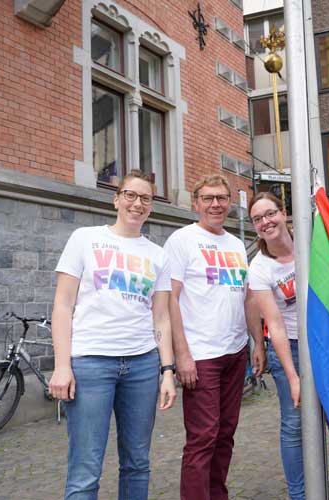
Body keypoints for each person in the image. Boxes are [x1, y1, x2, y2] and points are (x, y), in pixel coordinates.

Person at [49, 170, 177, 499]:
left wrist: (167, 371)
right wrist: (62, 366)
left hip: (142, 366)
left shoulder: (158, 255)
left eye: (145, 198)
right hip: (91, 364)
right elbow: (63, 305)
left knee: (137, 463)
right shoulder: (85, 239)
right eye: (131, 195)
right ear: (116, 199)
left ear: (151, 206)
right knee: (85, 468)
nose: (137, 203)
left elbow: (160, 317)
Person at [247, 192, 329, 500]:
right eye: (257, 219)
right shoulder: (260, 269)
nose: (265, 222)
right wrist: (293, 377)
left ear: (284, 212)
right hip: (292, 347)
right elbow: (276, 325)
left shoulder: (312, 240)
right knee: (294, 424)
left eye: (270, 214)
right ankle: (300, 495)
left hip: (328, 341)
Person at [164, 174, 265, 500]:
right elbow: (171, 301)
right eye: (208, 198)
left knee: (225, 434)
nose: (216, 204)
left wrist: (256, 342)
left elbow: (247, 297)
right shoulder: (182, 240)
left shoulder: (236, 245)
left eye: (221, 198)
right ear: (196, 203)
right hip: (201, 355)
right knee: (202, 437)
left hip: (234, 353)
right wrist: (182, 355)